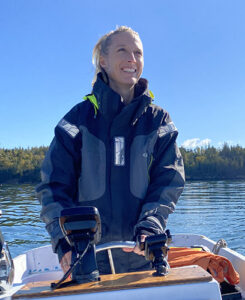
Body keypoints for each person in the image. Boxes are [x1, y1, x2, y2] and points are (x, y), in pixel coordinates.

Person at [36, 26, 185, 275]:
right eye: (122, 50)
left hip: (144, 260)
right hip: (87, 261)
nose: (132, 59)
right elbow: (52, 187)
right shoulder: (76, 121)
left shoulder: (158, 121)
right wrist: (64, 242)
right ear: (103, 61)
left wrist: (151, 224)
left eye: (138, 53)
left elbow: (169, 181)